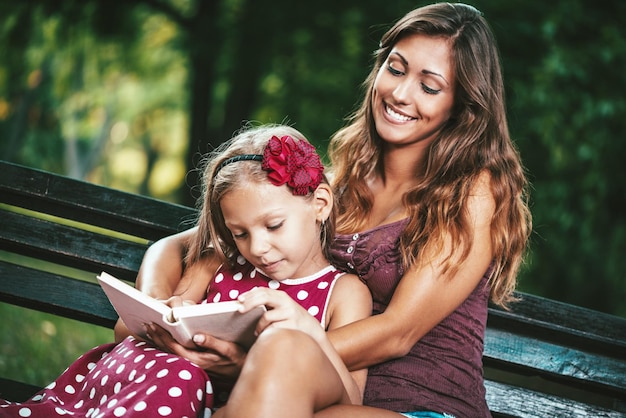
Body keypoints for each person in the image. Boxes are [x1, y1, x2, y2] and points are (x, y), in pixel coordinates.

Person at [135, 3, 532, 418]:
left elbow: (398, 333)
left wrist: (255, 356)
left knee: (283, 351)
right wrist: (160, 312)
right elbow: (180, 245)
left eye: (429, 87)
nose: (400, 93)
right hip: (309, 395)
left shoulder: (472, 191)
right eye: (395, 69)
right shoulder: (337, 185)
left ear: (463, 105)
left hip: (420, 407)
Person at [0, 124, 372, 418]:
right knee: (181, 375)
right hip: (159, 390)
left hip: (235, 406)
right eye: (239, 233)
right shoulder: (220, 264)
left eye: (273, 226)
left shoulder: (345, 292)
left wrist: (306, 327)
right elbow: (125, 330)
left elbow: (349, 402)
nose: (256, 248)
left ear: (320, 204)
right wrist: (172, 313)